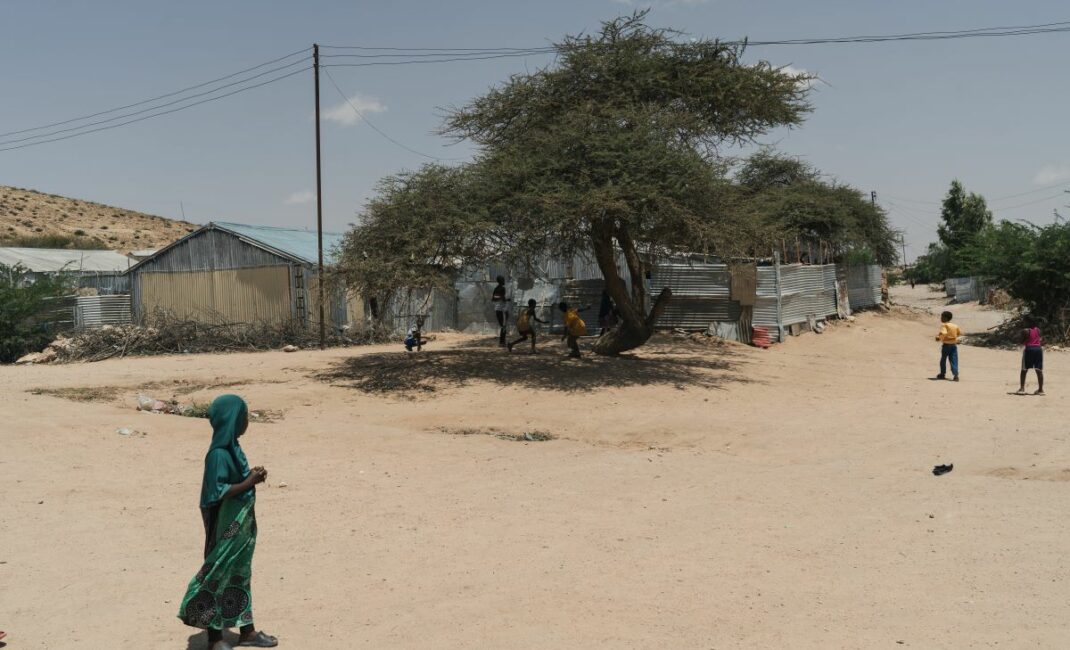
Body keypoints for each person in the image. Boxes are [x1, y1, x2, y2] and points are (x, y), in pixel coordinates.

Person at [178, 395, 278, 649]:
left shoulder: (233, 447)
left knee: (240, 575)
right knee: (217, 574)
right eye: (244, 417)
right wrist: (249, 482)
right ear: (233, 420)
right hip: (226, 528)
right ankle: (214, 638)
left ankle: (247, 631)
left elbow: (236, 480)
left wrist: (252, 475)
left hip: (241, 527)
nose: (246, 422)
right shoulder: (218, 454)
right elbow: (217, 492)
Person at [1017, 316, 1045, 395]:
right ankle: (1040, 390)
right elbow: (1041, 340)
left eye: (1024, 321)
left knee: (1024, 369)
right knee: (1039, 370)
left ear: (1028, 322)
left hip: (1029, 349)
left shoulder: (1025, 331)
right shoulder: (1038, 330)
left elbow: (1021, 341)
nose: (1023, 323)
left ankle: (1022, 389)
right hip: (1038, 350)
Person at [934, 310, 961, 381]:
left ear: (945, 318)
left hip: (946, 345)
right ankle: (955, 375)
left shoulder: (944, 325)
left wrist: (938, 338)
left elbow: (943, 333)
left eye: (942, 317)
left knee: (943, 360)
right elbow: (958, 333)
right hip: (953, 345)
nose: (941, 318)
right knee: (954, 360)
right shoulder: (955, 325)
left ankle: (942, 374)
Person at [492, 275, 509, 346]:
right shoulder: (503, 288)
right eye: (503, 279)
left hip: (497, 309)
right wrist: (505, 299)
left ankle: (502, 342)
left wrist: (500, 297)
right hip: (502, 310)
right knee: (504, 326)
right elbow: (503, 298)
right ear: (500, 281)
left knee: (502, 326)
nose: (504, 281)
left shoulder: (496, 289)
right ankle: (502, 342)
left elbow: (493, 298)